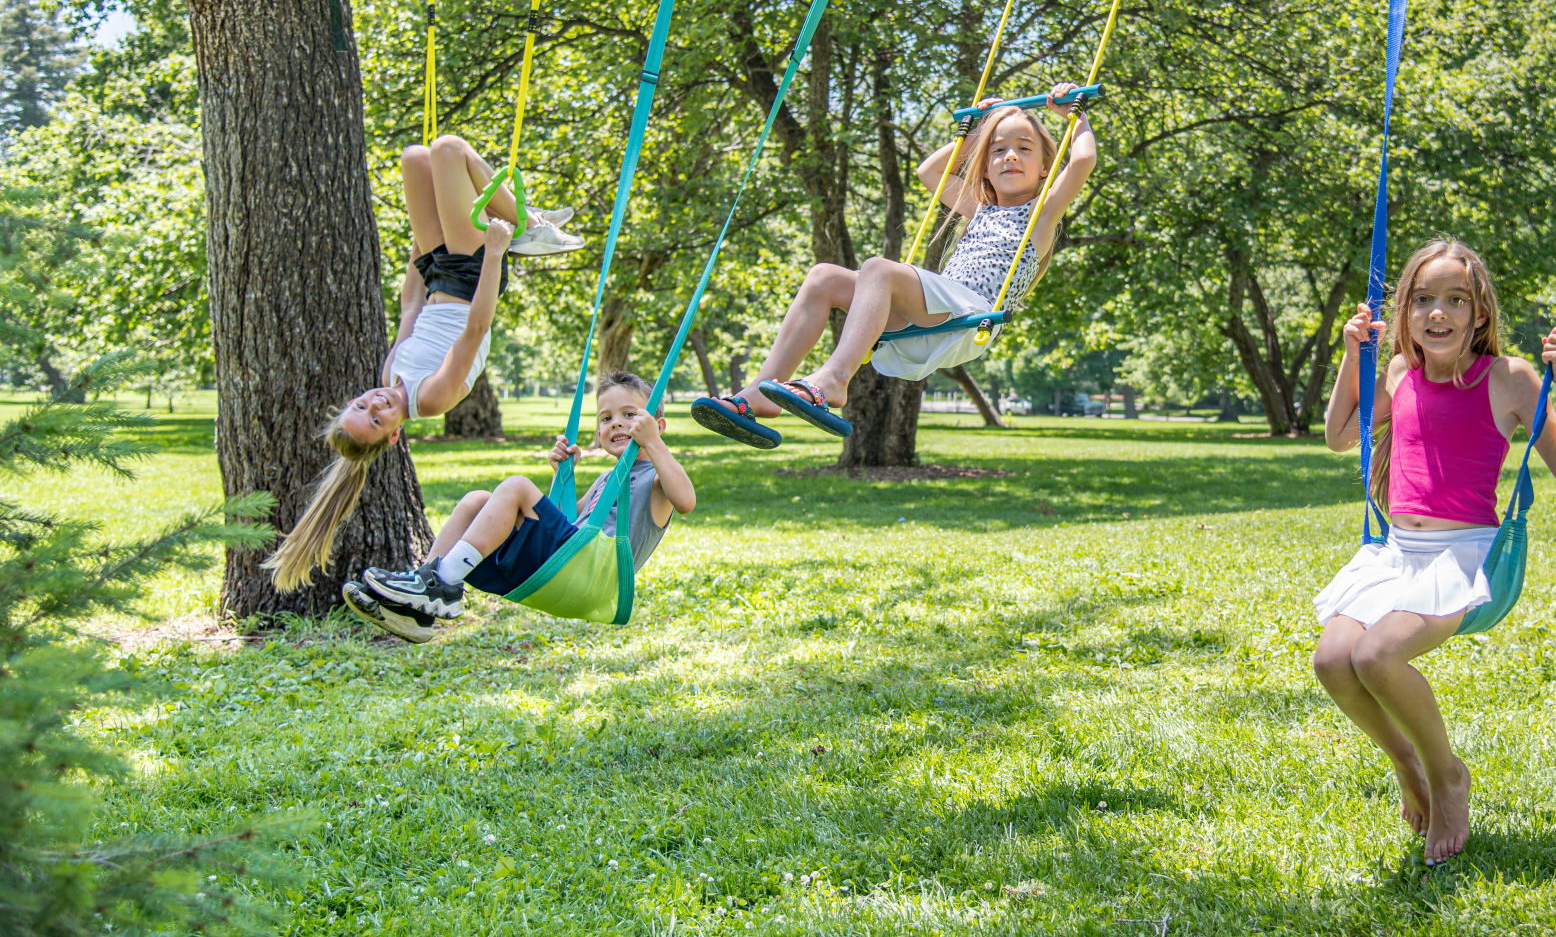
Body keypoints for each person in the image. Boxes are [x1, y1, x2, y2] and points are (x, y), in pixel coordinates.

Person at [1311, 238, 1556, 863]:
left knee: (1378, 654)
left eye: (1455, 301)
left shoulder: (1511, 378)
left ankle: (1447, 776)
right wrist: (1352, 358)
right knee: (1334, 660)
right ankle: (1406, 760)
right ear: (1406, 312)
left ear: (1479, 314)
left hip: (1463, 556)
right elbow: (1338, 435)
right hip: (1396, 553)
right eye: (1423, 300)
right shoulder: (1398, 374)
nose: (1438, 314)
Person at [689, 83, 1096, 446]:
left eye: (1025, 148)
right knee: (823, 277)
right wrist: (977, 132)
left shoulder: (1041, 216)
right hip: (929, 321)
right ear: (984, 167)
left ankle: (833, 380)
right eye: (998, 150)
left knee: (879, 268)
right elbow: (929, 170)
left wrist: (1075, 114)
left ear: (1045, 167)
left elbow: (1082, 161)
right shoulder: (979, 209)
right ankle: (758, 394)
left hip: (972, 314)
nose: (1010, 156)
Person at [264, 133, 584, 591]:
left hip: (437, 271)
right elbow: (474, 331)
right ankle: (530, 226)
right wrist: (495, 253)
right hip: (474, 275)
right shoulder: (430, 399)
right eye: (378, 419)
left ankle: (526, 219)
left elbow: (411, 310)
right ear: (395, 434)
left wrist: (419, 252)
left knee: (414, 158)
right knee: (448, 150)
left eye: (362, 408)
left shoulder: (389, 374)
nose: (374, 405)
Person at [342, 370, 696, 641]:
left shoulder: (656, 480)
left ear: (656, 425)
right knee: (475, 502)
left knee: (516, 487)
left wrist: (654, 444)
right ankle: (423, 598)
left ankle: (443, 586)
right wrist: (563, 476)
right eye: (605, 418)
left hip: (597, 576)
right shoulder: (608, 477)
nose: (616, 422)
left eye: (630, 414)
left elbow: (685, 501)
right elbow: (572, 522)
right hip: (572, 562)